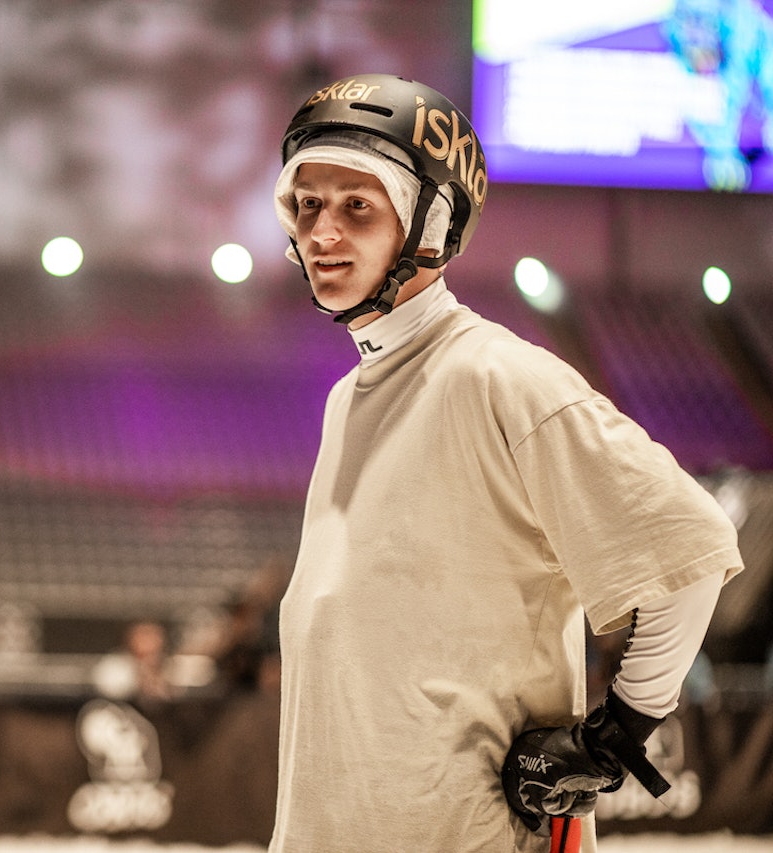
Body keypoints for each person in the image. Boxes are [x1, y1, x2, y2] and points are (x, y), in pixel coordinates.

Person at [266, 73, 743, 852]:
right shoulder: (347, 396)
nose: (321, 230)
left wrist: (613, 737)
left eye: (356, 205)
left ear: (431, 220)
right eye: (307, 204)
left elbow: (693, 546)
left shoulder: (498, 374)